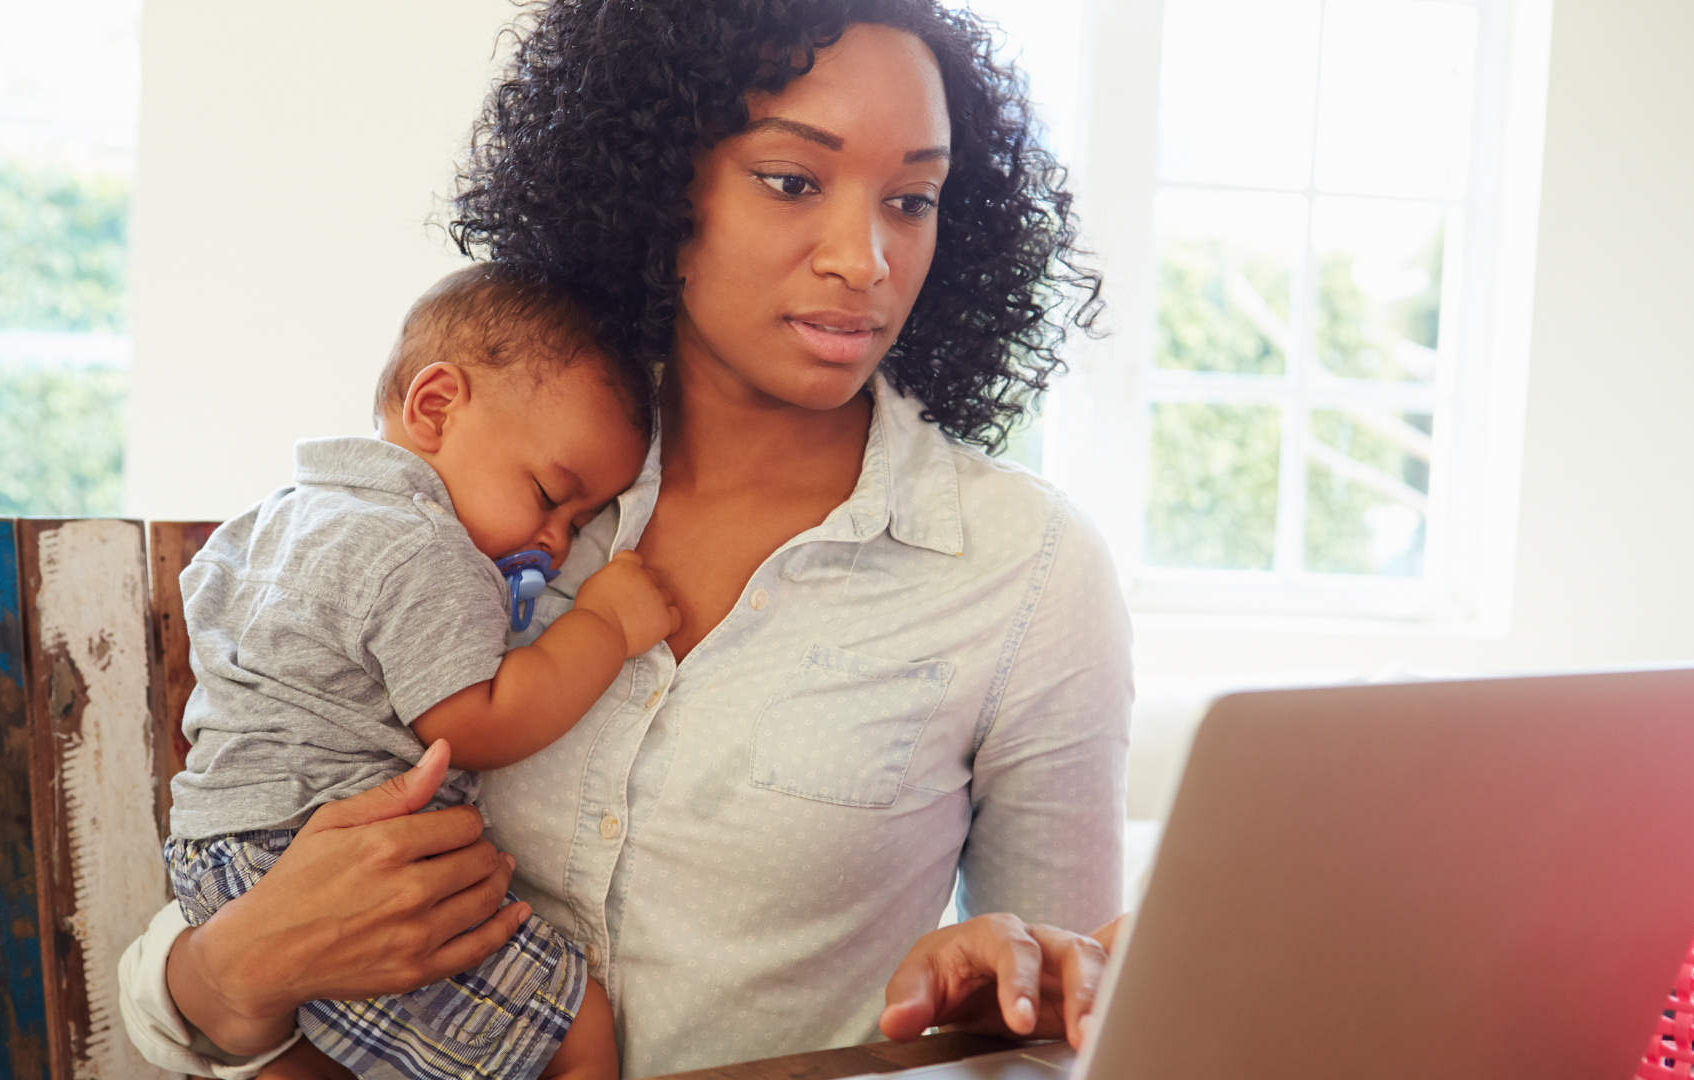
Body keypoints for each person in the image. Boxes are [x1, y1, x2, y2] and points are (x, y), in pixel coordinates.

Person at [118, 2, 1134, 1077]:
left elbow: (1071, 1015)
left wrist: (996, 990)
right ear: (658, 185)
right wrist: (228, 974)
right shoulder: (472, 491)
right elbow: (230, 870)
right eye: (792, 180)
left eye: (912, 199)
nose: (865, 257)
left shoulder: (1025, 570)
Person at [161, 266, 681, 1080]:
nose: (554, 541)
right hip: (307, 849)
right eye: (550, 495)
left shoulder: (283, 514)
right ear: (435, 406)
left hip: (218, 852)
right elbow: (477, 725)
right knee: (577, 1022)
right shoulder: (419, 546)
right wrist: (606, 627)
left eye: (580, 522)